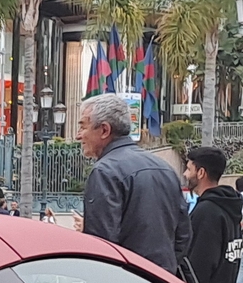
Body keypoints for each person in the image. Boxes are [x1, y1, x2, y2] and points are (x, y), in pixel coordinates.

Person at [75, 92, 184, 273]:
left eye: (83, 127)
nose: (79, 136)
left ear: (104, 130)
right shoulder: (165, 168)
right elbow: (183, 237)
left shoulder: (105, 171)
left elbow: (101, 243)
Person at [179, 146, 242, 283]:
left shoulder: (207, 212)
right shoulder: (229, 207)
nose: (185, 174)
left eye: (188, 169)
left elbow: (198, 267)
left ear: (201, 173)